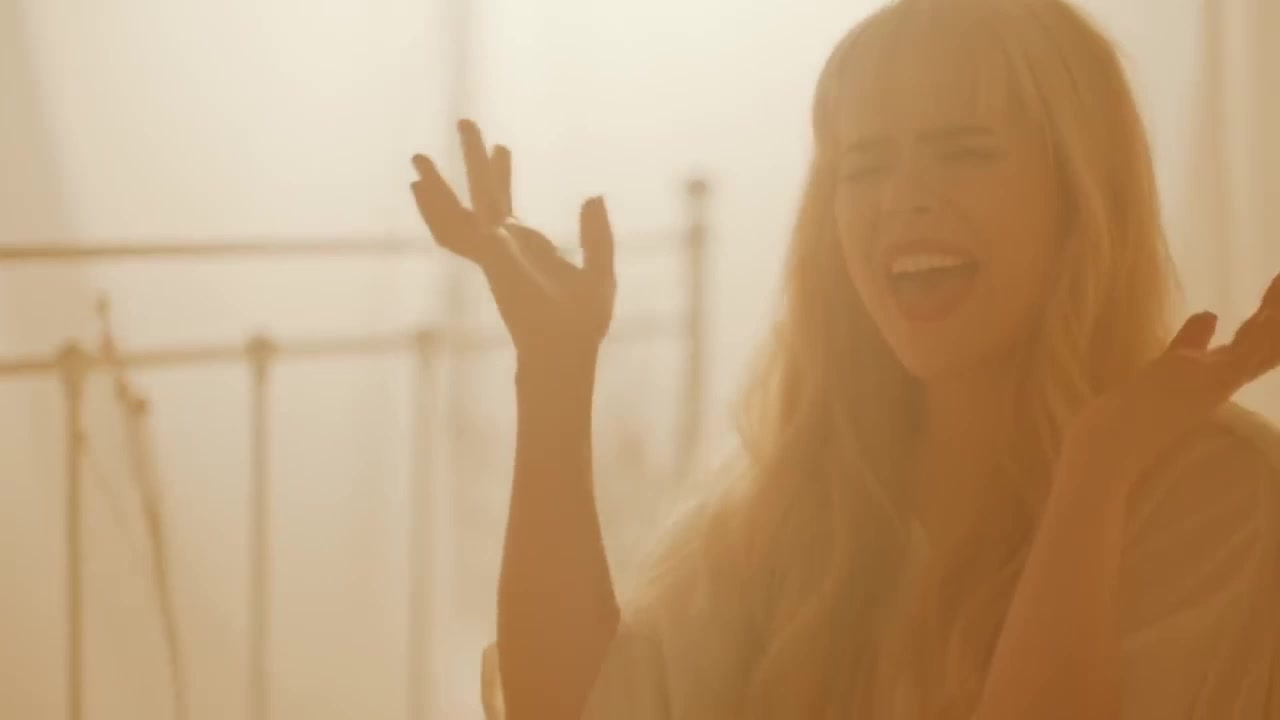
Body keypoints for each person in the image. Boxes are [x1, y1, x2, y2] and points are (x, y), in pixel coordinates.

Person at [410, 0, 1280, 717]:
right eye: (863, 167)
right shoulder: (812, 502)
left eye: (964, 153)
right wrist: (554, 370)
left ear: (1082, 197)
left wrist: (1094, 478)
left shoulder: (1221, 498)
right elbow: (576, 710)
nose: (903, 199)